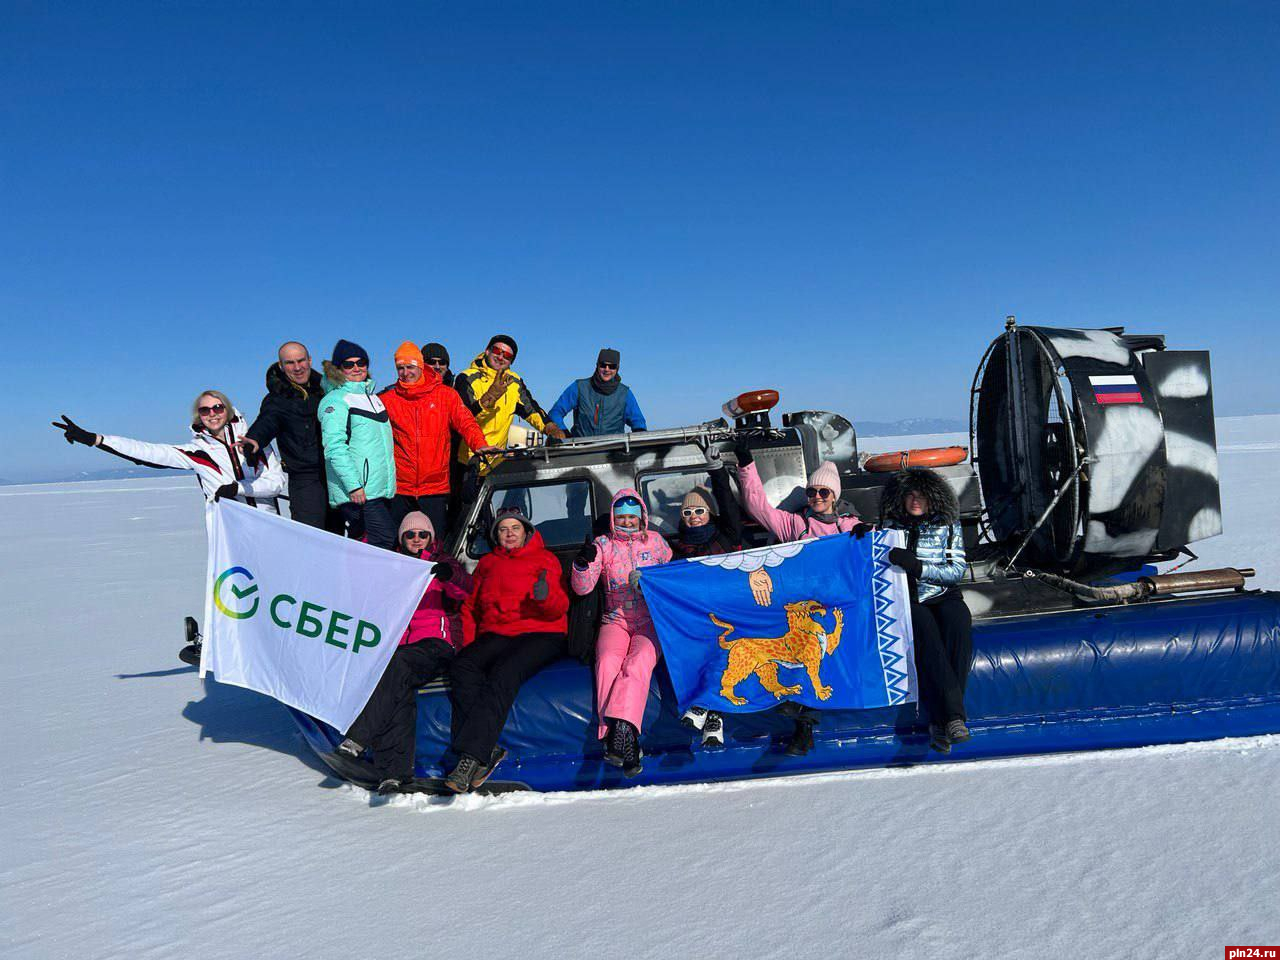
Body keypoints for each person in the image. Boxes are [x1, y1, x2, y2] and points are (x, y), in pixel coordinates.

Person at [734, 444, 869, 756]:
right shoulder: (796, 525)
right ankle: (800, 723)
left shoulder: (848, 527)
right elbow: (758, 508)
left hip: (835, 608)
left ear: (834, 495)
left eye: (823, 492)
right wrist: (746, 465)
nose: (817, 498)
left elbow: (874, 546)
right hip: (803, 607)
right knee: (793, 646)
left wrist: (867, 534)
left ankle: (803, 726)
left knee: (817, 654)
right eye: (812, 493)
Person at [333, 511, 471, 793]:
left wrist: (447, 577)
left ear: (431, 537)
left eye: (423, 534)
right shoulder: (394, 566)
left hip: (437, 644)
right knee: (397, 686)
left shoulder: (441, 563)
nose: (417, 540)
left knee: (396, 666)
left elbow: (464, 589)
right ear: (402, 539)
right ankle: (393, 775)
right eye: (410, 535)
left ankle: (358, 737)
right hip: (402, 649)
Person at [445, 506, 570, 793]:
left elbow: (558, 608)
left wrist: (544, 597)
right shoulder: (488, 563)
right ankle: (489, 749)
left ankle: (471, 757)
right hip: (498, 633)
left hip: (541, 632)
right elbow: (471, 607)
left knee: (504, 674)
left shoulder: (545, 559)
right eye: (503, 529)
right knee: (463, 666)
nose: (509, 534)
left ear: (526, 531)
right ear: (496, 535)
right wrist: (467, 646)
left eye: (515, 528)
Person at [570, 489, 673, 776]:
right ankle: (625, 739)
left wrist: (652, 584)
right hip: (615, 620)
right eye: (621, 517)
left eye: (632, 517)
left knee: (637, 663)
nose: (627, 522)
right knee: (606, 664)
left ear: (642, 517)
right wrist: (583, 564)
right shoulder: (603, 545)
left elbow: (671, 580)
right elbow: (583, 587)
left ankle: (618, 736)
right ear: (613, 519)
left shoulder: (657, 543)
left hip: (649, 620)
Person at [51, 391, 285, 512]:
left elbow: (276, 483)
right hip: (229, 534)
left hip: (269, 526)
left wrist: (239, 488)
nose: (212, 413)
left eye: (217, 407)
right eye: (205, 410)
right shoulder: (197, 452)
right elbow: (146, 451)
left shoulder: (256, 440)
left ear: (228, 410)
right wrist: (95, 439)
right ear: (199, 416)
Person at [880, 467, 972, 755]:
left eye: (922, 495)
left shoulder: (948, 526)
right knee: (929, 642)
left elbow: (956, 570)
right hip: (911, 601)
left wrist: (918, 567)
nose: (915, 501)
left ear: (933, 498)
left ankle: (942, 721)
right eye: (910, 495)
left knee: (958, 627)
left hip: (943, 594)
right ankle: (954, 719)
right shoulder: (892, 529)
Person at [665, 447, 745, 748]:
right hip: (699, 617)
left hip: (730, 613)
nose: (694, 517)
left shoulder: (725, 537)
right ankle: (714, 717)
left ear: (709, 512)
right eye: (687, 512)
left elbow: (728, 503)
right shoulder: (676, 549)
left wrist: (716, 470)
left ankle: (704, 707)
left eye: (699, 510)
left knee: (720, 649)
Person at [381, 341, 498, 538]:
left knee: (435, 543)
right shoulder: (388, 399)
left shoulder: (445, 395)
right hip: (400, 487)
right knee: (398, 544)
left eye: (410, 367)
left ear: (420, 366)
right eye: (400, 368)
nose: (405, 372)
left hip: (434, 487)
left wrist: (480, 444)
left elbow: (466, 422)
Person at [241, 341, 338, 531]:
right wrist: (254, 439)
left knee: (337, 535)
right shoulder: (278, 399)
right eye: (290, 363)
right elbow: (267, 421)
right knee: (311, 536)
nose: (297, 368)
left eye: (301, 361)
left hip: (335, 473)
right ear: (281, 366)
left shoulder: (327, 391)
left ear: (310, 360)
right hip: (305, 479)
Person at [319, 339, 397, 549]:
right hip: (359, 493)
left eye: (361, 362)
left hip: (380, 489)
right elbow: (334, 447)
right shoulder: (335, 400)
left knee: (379, 545)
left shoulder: (373, 398)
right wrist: (353, 485)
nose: (356, 368)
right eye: (348, 364)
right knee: (381, 543)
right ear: (337, 369)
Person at [454, 335, 567, 468]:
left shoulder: (513, 382)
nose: (500, 357)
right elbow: (462, 419)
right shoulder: (466, 378)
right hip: (468, 460)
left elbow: (531, 409)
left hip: (497, 461)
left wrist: (550, 427)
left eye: (507, 356)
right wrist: (488, 398)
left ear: (511, 362)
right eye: (497, 351)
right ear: (487, 351)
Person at [547, 348, 647, 437]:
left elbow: (638, 422)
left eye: (612, 366)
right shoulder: (579, 387)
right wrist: (564, 434)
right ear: (597, 365)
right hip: (582, 450)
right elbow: (555, 412)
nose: (607, 369)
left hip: (613, 451)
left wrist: (639, 439)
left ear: (617, 368)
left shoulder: (625, 394)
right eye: (603, 365)